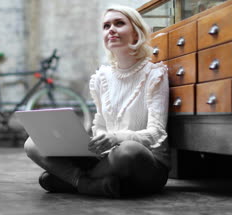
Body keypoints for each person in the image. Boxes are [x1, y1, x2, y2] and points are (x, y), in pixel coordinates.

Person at [24, 4, 170, 198]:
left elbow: (156, 133)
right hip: (106, 158)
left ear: (136, 34)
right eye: (106, 26)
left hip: (144, 164)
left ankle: (72, 181)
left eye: (119, 23)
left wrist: (116, 138)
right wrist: (96, 141)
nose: (111, 29)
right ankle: (90, 184)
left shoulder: (155, 74)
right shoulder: (102, 77)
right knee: (32, 143)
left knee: (128, 150)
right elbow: (100, 124)